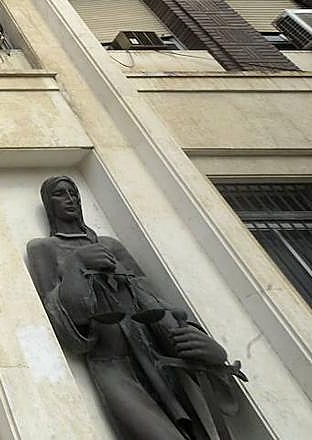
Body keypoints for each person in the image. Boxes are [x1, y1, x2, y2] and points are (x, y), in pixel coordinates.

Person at [26, 175, 245, 440]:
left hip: (155, 354)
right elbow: (60, 316)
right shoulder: (43, 248)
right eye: (60, 194)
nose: (71, 199)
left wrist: (208, 348)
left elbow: (151, 298)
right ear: (49, 203)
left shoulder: (110, 245)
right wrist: (76, 264)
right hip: (112, 364)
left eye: (74, 193)